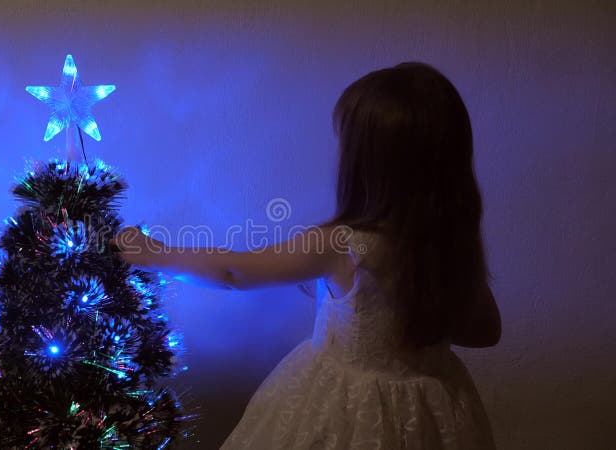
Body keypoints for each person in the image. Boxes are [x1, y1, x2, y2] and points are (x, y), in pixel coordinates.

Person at [111, 61, 501, 449]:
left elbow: (234, 271)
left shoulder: (344, 244)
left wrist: (155, 254)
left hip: (345, 413)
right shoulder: (452, 243)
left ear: (368, 164)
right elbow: (486, 330)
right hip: (433, 414)